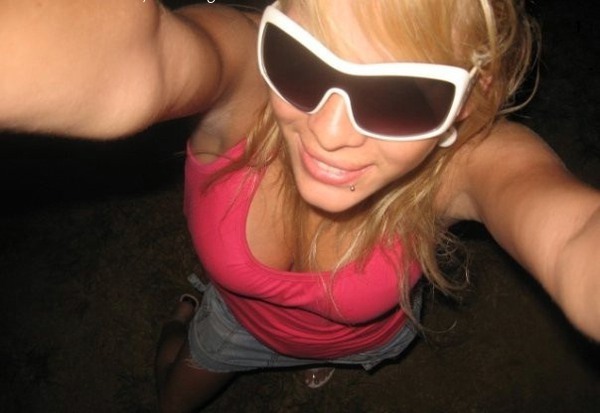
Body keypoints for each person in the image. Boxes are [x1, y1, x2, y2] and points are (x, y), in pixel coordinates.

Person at [1, 0, 599, 411]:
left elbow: (575, 234)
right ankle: (185, 324)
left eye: (399, 96)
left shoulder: (463, 163)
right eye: (303, 61)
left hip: (364, 341)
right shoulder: (243, 89)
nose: (330, 132)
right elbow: (140, 52)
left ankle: (318, 357)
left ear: (465, 104)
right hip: (236, 327)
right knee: (173, 400)